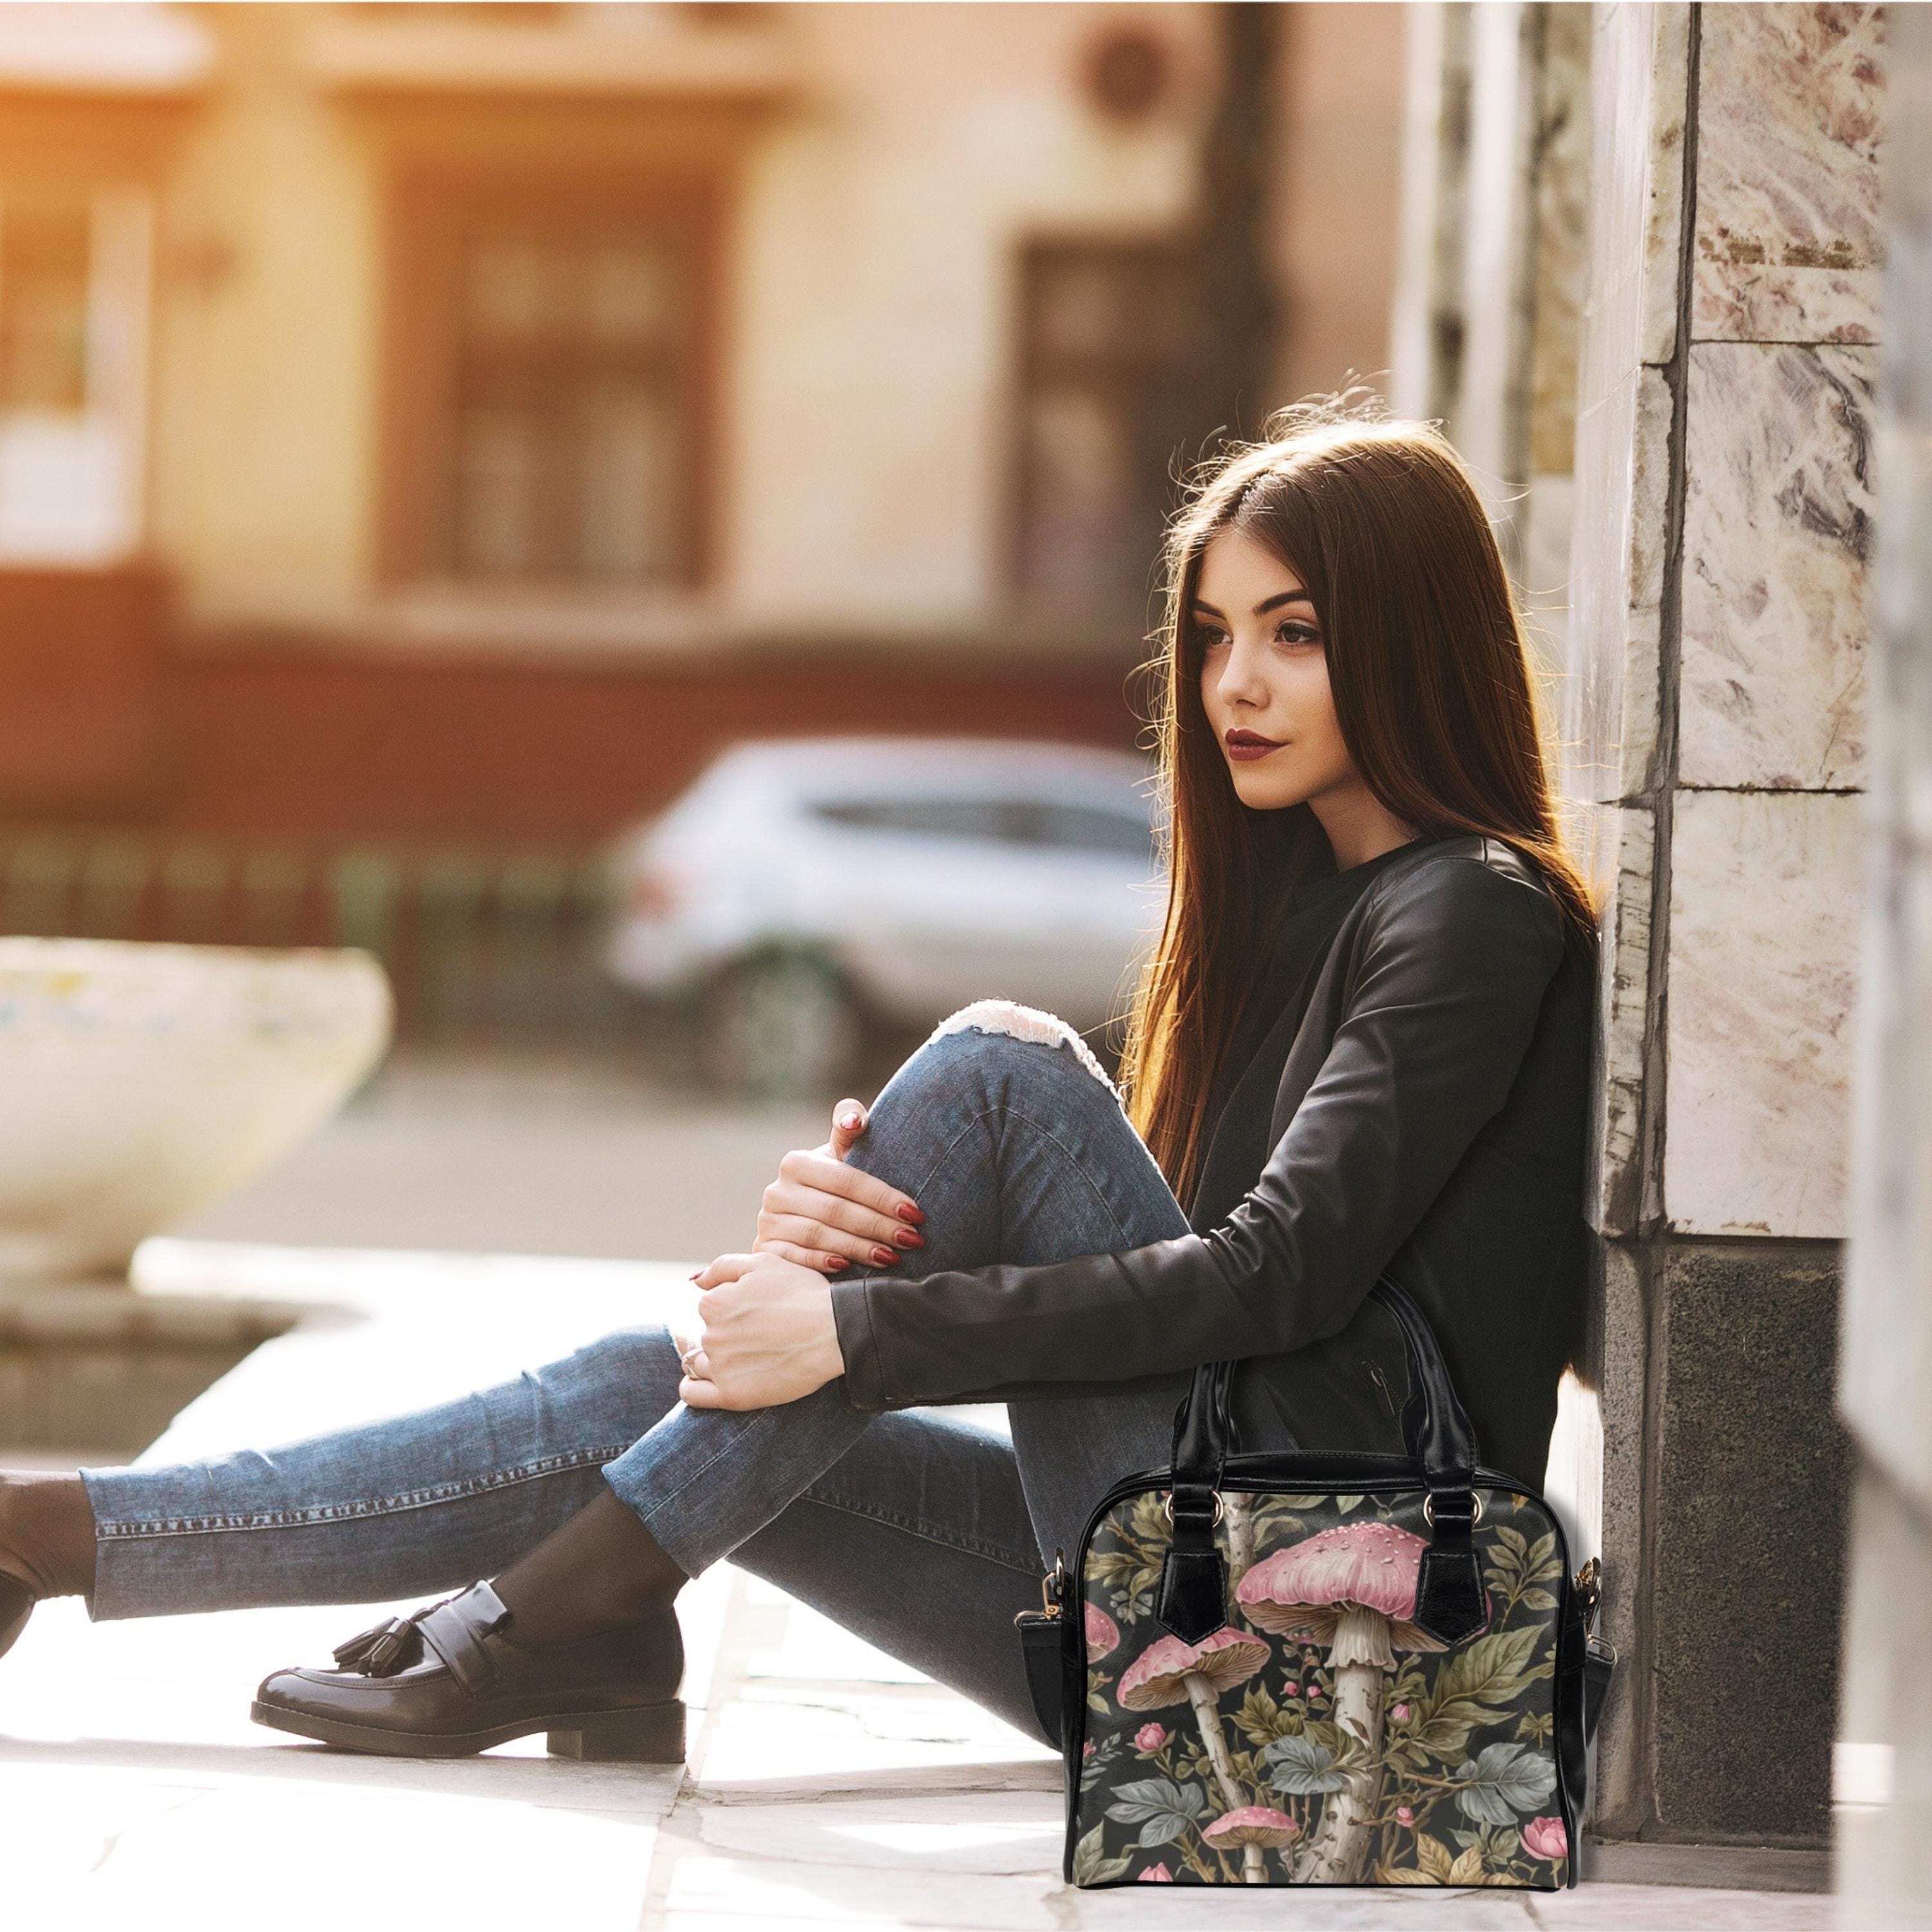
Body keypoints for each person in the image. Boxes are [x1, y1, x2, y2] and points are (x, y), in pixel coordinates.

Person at [0, 400, 1598, 1764]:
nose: (1234, 684)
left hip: (1340, 1672)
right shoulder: (1312, 914)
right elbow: (1156, 1279)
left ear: (1410, 637)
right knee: (665, 1384)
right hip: (1188, 1629)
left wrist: (856, 1320)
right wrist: (853, 1233)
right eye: (1214, 637)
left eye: (1295, 634)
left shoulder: (1474, 908)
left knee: (994, 1072)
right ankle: (49, 1533)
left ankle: (562, 1617)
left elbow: (1277, 1277)